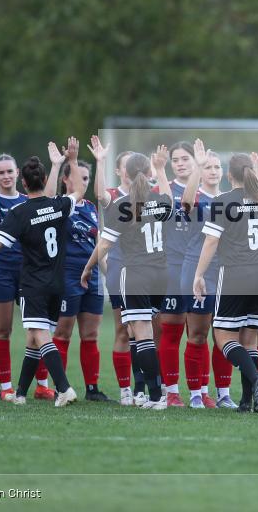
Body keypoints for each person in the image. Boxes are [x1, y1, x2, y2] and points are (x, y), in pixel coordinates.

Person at [0, 141, 84, 407]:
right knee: (34, 338)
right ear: (46, 179)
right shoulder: (60, 205)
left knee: (40, 336)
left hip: (34, 284)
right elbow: (79, 190)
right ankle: (21, 393)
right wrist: (72, 159)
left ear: (23, 183)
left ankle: (64, 387)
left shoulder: (19, 212)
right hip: (58, 283)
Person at [82, 147, 173, 410]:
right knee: (142, 334)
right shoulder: (161, 201)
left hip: (135, 274)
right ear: (148, 174)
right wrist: (162, 168)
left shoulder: (123, 205)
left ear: (127, 175)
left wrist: (87, 268)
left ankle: (156, 396)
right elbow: (169, 196)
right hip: (161, 274)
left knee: (141, 335)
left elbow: (104, 246)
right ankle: (154, 393)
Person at [194, 153, 258, 413]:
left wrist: (198, 275)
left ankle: (256, 378)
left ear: (229, 175)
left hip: (236, 274)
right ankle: (246, 401)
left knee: (223, 338)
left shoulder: (222, 201)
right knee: (249, 340)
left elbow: (211, 241)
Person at [0, 150, 44, 401]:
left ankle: (42, 385)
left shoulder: (30, 201)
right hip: (0, 271)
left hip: (29, 271)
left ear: (18, 174)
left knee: (38, 328)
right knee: (3, 329)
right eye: (1, 172)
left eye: (10, 171)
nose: (6, 176)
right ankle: (6, 386)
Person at [50, 140, 108, 402]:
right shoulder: (60, 205)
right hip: (68, 275)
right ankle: (60, 387)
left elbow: (99, 245)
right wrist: (70, 161)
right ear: (66, 180)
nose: (84, 182)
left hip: (93, 277)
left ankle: (92, 389)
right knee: (63, 332)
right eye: (79, 177)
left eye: (87, 178)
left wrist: (108, 274)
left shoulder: (92, 209)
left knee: (91, 334)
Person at [180, 139, 232, 408]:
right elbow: (186, 202)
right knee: (197, 333)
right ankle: (196, 393)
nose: (213, 171)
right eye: (208, 167)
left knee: (223, 333)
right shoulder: (196, 197)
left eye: (216, 167)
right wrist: (197, 168)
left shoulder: (227, 200)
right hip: (197, 268)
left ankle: (223, 392)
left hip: (223, 270)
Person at [97, 148, 143, 406]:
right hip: (119, 269)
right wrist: (101, 161)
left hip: (146, 270)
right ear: (118, 171)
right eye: (126, 166)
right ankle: (126, 390)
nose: (130, 171)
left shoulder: (148, 196)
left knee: (143, 331)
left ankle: (142, 388)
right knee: (123, 330)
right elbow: (99, 194)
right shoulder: (113, 196)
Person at [156, 141, 194, 408]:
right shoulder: (163, 188)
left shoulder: (208, 190)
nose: (180, 163)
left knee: (199, 333)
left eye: (184, 159)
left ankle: (200, 392)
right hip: (172, 266)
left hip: (201, 269)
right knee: (171, 331)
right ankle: (169, 390)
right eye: (175, 160)